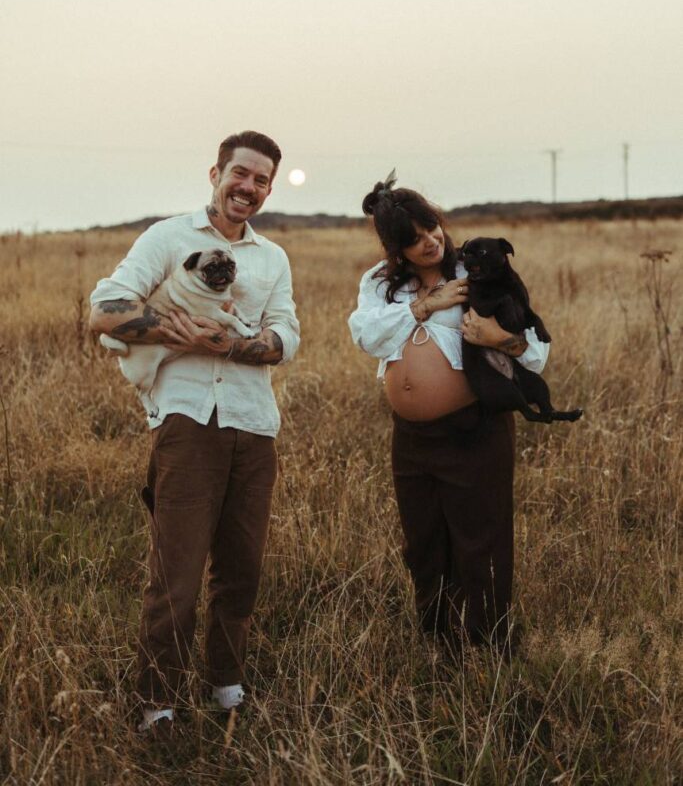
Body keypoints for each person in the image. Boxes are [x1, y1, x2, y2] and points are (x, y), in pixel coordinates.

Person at [89, 130, 300, 732]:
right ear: (216, 172)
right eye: (241, 174)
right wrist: (171, 333)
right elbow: (104, 310)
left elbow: (287, 336)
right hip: (186, 422)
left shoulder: (272, 257)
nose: (249, 188)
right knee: (175, 574)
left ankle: (226, 685)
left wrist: (233, 344)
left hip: (255, 426)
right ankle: (157, 702)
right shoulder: (168, 237)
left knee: (242, 568)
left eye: (262, 180)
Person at [348, 174, 549, 648]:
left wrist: (502, 340)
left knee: (481, 540)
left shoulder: (478, 269)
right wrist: (422, 307)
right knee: (423, 541)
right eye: (413, 240)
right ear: (395, 249)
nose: (429, 242)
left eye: (431, 227)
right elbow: (365, 335)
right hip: (412, 438)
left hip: (473, 431)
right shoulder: (380, 283)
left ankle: (488, 642)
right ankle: (440, 639)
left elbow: (536, 352)